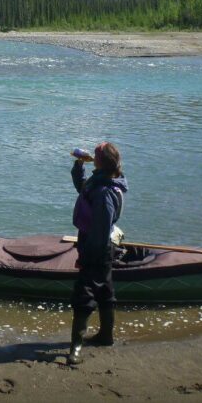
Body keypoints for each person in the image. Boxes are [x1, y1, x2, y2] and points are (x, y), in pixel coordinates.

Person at [67, 141, 128, 365]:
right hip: (101, 244)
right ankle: (106, 336)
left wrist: (87, 257)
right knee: (105, 290)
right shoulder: (101, 180)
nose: (91, 156)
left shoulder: (105, 193)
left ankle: (76, 347)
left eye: (95, 155)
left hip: (98, 245)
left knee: (84, 293)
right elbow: (83, 188)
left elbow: (101, 230)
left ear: (102, 162)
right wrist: (78, 167)